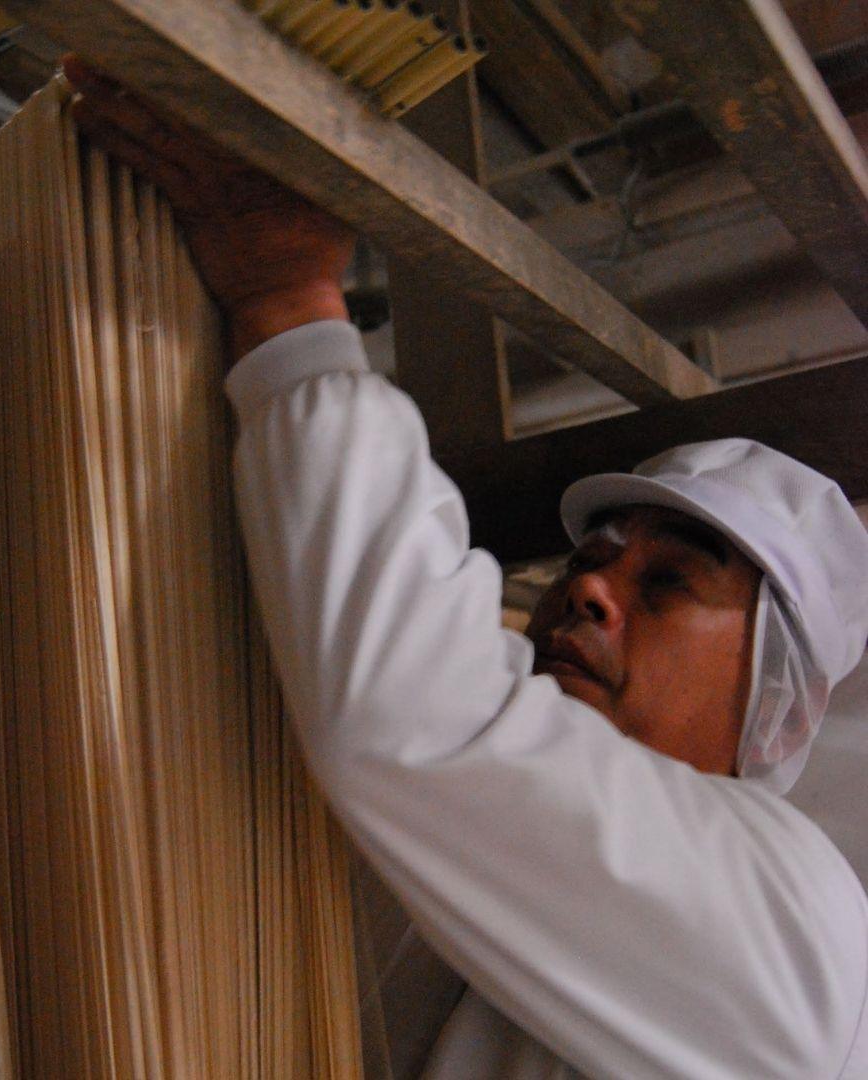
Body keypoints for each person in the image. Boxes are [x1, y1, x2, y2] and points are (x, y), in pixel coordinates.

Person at [65, 59, 868, 1077]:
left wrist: (287, 303)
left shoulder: (792, 915)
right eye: (594, 558)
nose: (590, 588)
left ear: (779, 714)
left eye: (667, 585)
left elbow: (413, 713)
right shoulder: (469, 860)